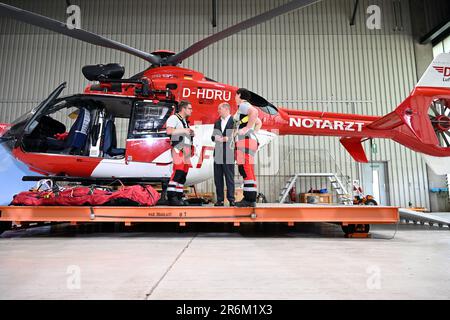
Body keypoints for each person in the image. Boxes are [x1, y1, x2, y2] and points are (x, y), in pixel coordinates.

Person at [233, 88, 259, 207]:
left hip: (246, 140)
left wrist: (246, 129)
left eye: (235, 95)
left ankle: (249, 199)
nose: (235, 98)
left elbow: (254, 112)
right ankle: (251, 197)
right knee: (247, 168)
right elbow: (258, 122)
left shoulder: (243, 105)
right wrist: (252, 131)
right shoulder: (244, 108)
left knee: (245, 167)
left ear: (239, 95)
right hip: (250, 140)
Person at [166, 100, 195, 206]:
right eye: (190, 108)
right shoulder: (174, 118)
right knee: (177, 172)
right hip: (178, 149)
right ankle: (171, 196)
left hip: (186, 150)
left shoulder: (184, 120)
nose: (191, 110)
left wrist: (190, 132)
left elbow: (182, 132)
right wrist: (184, 130)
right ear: (183, 109)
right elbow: (169, 131)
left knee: (183, 175)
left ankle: (178, 196)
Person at [211, 102, 235, 207]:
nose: (218, 111)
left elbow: (236, 134)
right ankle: (220, 199)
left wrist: (228, 138)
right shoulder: (217, 122)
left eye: (219, 109)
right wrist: (215, 138)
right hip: (218, 153)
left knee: (229, 177)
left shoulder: (234, 121)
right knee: (218, 177)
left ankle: (231, 199)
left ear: (226, 109)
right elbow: (212, 136)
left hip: (229, 153)